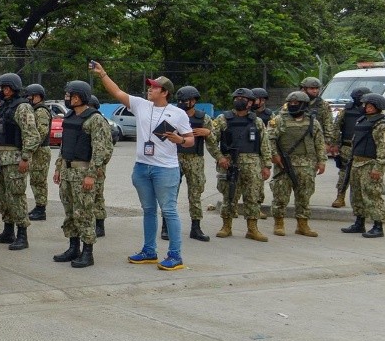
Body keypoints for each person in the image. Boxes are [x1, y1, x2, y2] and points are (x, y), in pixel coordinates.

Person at [91, 64, 195, 271]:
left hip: (165, 169)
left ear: (164, 92)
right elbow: (117, 92)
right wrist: (103, 74)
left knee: (169, 211)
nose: (150, 89)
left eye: (154, 87)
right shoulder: (140, 105)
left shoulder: (177, 114)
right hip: (142, 167)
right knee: (148, 210)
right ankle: (149, 251)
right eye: (150, 86)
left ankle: (175, 255)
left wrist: (180, 140)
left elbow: (190, 139)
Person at [51, 81, 113, 268]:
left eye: (69, 95)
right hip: (67, 171)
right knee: (70, 212)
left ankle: (87, 252)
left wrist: (91, 175)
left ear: (78, 97)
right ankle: (73, 248)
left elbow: (102, 150)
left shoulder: (95, 119)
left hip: (83, 172)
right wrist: (59, 168)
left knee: (84, 213)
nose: (67, 98)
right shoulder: (70, 117)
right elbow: (64, 147)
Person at [206, 88, 272, 242]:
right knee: (229, 196)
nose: (239, 101)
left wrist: (266, 165)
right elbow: (211, 141)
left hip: (253, 164)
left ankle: (252, 229)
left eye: (242, 99)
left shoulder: (257, 121)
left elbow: (265, 144)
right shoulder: (223, 119)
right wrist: (220, 157)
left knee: (253, 197)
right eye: (236, 98)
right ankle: (226, 226)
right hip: (229, 163)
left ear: (250, 103)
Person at [0, 73, 38, 250]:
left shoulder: (23, 107)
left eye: (5, 87)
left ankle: (22, 234)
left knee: (16, 196)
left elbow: (32, 135)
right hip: (0, 159)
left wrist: (25, 157)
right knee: (3, 196)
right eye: (1, 87)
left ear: (13, 88)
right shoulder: (3, 107)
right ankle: (8, 231)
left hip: (15, 159)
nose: (2, 90)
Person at [268, 91, 325, 237]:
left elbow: (319, 143)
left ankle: (302, 225)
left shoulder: (313, 122)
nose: (293, 105)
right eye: (291, 103)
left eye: (296, 103)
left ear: (304, 104)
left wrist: (322, 161)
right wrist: (274, 155)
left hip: (307, 164)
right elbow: (270, 139)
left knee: (304, 196)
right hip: (284, 165)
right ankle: (279, 223)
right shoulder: (279, 120)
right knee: (280, 195)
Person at [341, 93, 385, 238]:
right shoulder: (362, 120)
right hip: (356, 163)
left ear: (378, 107)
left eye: (370, 106)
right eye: (366, 105)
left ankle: (378, 226)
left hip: (370, 164)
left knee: (372, 195)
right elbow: (354, 142)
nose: (367, 108)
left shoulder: (382, 125)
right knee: (356, 195)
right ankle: (359, 223)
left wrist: (379, 167)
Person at [173, 86, 212, 242]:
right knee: (170, 193)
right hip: (175, 157)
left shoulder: (203, 118)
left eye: (186, 100)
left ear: (194, 101)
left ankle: (196, 228)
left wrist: (208, 133)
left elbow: (213, 141)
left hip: (195, 159)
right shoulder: (172, 115)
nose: (182, 103)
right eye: (180, 100)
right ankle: (166, 227)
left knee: (195, 194)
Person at [330, 87, 368, 209]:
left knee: (363, 175)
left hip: (364, 147)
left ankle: (363, 201)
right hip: (347, 146)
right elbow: (336, 127)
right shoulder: (346, 111)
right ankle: (340, 196)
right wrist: (334, 144)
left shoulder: (372, 110)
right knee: (344, 173)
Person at [25, 84, 52, 222]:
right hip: (37, 149)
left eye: (31, 96)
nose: (28, 99)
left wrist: (30, 147)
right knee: (35, 179)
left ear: (38, 96)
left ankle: (41, 209)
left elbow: (41, 132)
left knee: (39, 180)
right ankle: (39, 206)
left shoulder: (41, 111)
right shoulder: (35, 110)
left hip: (40, 150)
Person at [86, 95, 111, 238]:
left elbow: (107, 147)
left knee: (97, 195)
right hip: (84, 163)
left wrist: (100, 165)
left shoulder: (100, 121)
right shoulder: (83, 120)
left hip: (97, 165)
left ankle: (99, 224)